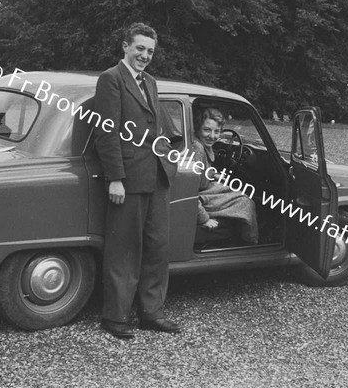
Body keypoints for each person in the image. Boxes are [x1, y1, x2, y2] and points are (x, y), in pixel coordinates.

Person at [93, 22, 180, 338]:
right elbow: (106, 132)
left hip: (156, 177)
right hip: (127, 179)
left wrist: (170, 159)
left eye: (150, 51)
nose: (145, 55)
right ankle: (115, 317)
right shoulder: (111, 79)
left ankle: (151, 313)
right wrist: (115, 178)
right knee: (124, 249)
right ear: (125, 46)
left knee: (158, 247)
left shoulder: (151, 82)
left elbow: (159, 127)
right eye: (140, 48)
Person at [193, 108, 258, 245]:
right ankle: (250, 241)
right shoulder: (197, 149)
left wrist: (214, 174)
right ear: (198, 128)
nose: (212, 136)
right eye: (207, 130)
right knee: (245, 201)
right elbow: (189, 192)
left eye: (216, 131)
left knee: (235, 190)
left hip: (204, 188)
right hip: (200, 196)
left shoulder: (201, 144)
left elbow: (202, 171)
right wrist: (204, 219)